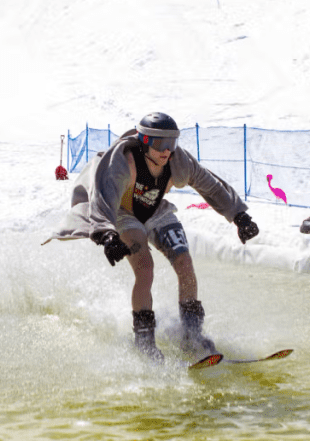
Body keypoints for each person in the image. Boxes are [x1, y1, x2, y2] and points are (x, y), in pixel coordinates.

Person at [44, 112, 259, 361]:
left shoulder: (178, 161)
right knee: (145, 268)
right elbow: (102, 197)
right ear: (145, 141)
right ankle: (144, 341)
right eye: (160, 143)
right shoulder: (124, 162)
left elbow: (209, 184)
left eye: (172, 142)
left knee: (184, 262)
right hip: (123, 215)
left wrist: (239, 216)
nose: (167, 150)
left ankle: (192, 335)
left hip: (156, 211)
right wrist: (106, 235)